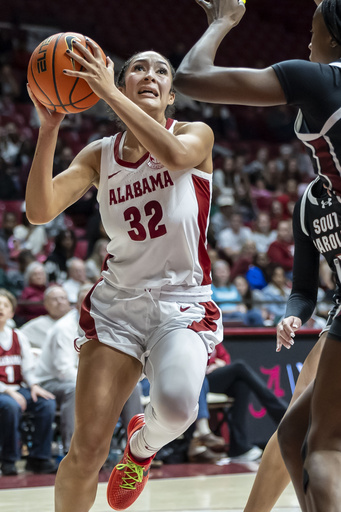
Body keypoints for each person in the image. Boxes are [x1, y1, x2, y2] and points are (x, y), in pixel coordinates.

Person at [26, 44, 222, 512]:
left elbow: (174, 156)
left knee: (177, 407)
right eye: (138, 68)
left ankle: (141, 446)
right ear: (124, 80)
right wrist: (49, 128)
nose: (150, 75)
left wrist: (110, 92)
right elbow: (39, 210)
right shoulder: (100, 155)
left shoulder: (196, 134)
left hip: (182, 301)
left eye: (161, 71)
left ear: (171, 95)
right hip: (119, 305)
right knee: (87, 450)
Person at [174, 0, 341, 509]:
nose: (305, 37)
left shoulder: (320, 79)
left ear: (332, 35)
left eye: (312, 27)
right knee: (293, 435)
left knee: (325, 448)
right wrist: (296, 313)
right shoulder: (313, 202)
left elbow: (191, 77)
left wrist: (222, 23)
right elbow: (302, 288)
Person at [0, 288, 57, 476]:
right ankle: (9, 460)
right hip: (4, 392)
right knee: (10, 406)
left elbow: (27, 368)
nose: (1, 308)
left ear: (11, 312)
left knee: (46, 403)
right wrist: (9, 392)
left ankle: (38, 458)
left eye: (5, 305)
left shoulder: (18, 336)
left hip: (18, 388)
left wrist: (34, 386)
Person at [20, 285, 71, 350]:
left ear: (69, 302)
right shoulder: (37, 324)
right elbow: (17, 339)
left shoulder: (78, 320)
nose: (59, 302)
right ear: (46, 304)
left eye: (63, 298)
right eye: (54, 299)